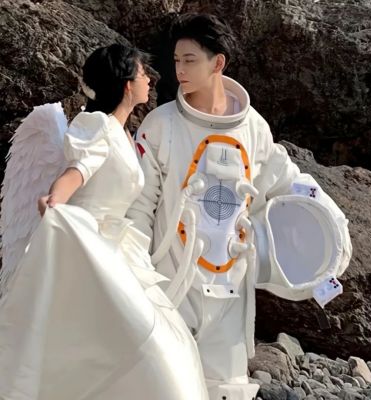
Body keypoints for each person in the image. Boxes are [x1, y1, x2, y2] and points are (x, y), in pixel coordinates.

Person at [127, 14, 352, 400]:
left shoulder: (254, 128)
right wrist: (135, 274)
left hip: (231, 287)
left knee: (226, 388)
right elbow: (139, 206)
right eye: (177, 60)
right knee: (164, 383)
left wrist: (334, 230)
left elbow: (285, 182)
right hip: (171, 281)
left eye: (190, 60)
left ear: (218, 63)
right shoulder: (160, 125)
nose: (179, 70)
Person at [0, 43, 209, 400]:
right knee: (141, 344)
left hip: (121, 250)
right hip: (92, 249)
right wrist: (55, 200)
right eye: (142, 73)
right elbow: (77, 171)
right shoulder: (98, 126)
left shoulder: (126, 134)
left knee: (156, 341)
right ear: (127, 84)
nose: (149, 79)